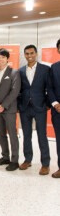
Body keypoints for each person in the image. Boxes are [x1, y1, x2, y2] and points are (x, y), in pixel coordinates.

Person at [18, 44, 50, 175]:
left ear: (36, 54)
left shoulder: (45, 69)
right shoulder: (20, 71)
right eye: (27, 54)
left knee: (42, 135)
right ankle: (28, 159)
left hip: (40, 107)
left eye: (31, 53)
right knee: (26, 135)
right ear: (24, 55)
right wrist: (19, 105)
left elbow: (50, 88)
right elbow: (19, 90)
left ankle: (45, 164)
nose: (29, 56)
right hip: (25, 108)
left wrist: (47, 104)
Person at [0, 48, 21, 171]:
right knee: (0, 134)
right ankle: (5, 157)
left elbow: (15, 91)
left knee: (12, 135)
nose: (0, 59)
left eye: (2, 57)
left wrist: (4, 105)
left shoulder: (14, 73)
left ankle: (14, 160)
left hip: (9, 109)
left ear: (7, 58)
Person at [47, 39, 60, 178]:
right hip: (58, 111)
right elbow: (50, 88)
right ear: (58, 50)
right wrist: (55, 103)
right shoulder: (54, 67)